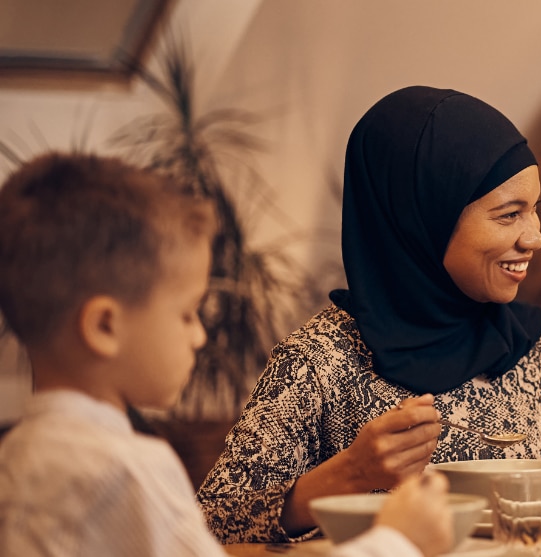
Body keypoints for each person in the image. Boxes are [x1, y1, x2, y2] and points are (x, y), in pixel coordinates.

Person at [198, 86, 541, 544]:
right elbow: (213, 522)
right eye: (509, 215)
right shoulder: (321, 360)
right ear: (422, 220)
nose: (534, 237)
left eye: (535, 210)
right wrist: (348, 475)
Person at [0, 153, 456, 556]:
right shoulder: (128, 470)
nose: (199, 336)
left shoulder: (19, 455)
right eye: (185, 314)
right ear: (105, 326)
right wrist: (398, 541)